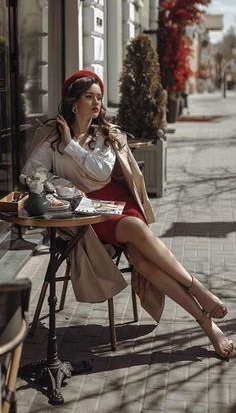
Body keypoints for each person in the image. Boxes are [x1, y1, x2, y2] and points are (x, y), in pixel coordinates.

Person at [23, 69, 234, 359]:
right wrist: (63, 183)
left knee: (138, 240)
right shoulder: (53, 138)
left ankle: (203, 308)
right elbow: (31, 173)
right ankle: (204, 311)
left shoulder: (104, 134)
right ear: (74, 103)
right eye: (89, 97)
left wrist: (72, 145)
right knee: (144, 264)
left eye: (99, 97)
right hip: (84, 215)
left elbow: (100, 172)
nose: (97, 103)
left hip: (115, 204)